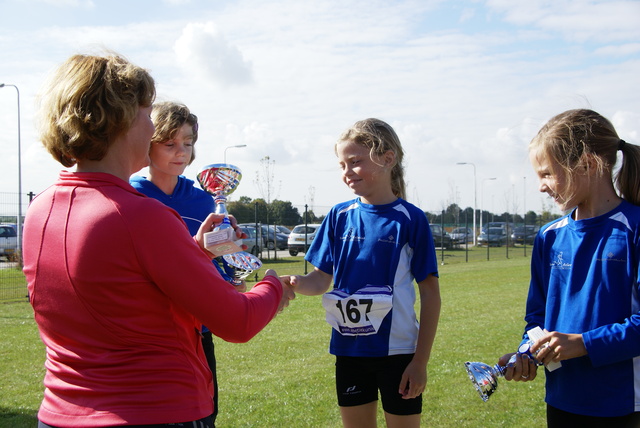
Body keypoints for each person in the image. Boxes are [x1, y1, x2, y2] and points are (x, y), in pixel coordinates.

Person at [23, 52, 294, 428]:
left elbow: (122, 287)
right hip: (154, 411)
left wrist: (195, 250)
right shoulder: (140, 215)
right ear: (119, 122)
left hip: (60, 413)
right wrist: (274, 286)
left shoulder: (40, 209)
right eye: (147, 114)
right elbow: (238, 322)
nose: (152, 128)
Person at [283, 118, 441, 428]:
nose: (346, 172)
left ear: (387, 158)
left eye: (355, 162)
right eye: (342, 165)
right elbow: (319, 280)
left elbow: (431, 295)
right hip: (349, 351)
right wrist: (293, 283)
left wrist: (419, 362)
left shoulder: (411, 220)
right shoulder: (339, 216)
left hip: (398, 353)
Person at [498, 109, 640, 427]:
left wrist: (582, 344)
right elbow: (537, 319)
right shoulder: (549, 236)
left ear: (588, 164)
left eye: (547, 174)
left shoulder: (633, 228)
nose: (541, 187)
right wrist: (526, 353)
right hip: (562, 399)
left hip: (622, 404)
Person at [130, 101, 243, 425]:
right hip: (150, 331)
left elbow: (211, 260)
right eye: (170, 143)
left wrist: (232, 272)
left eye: (188, 143)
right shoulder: (132, 194)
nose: (180, 152)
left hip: (197, 328)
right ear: (147, 142)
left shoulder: (203, 198)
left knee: (205, 415)